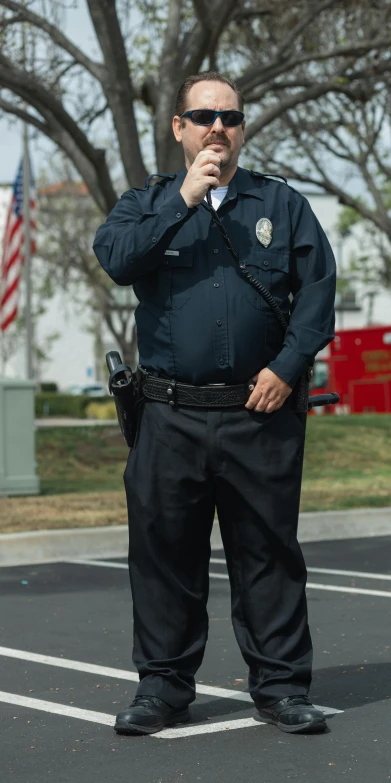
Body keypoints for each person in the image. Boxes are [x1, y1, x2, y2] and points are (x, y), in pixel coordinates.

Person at [93, 71, 336, 736]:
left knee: (268, 555)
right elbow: (115, 258)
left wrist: (289, 366)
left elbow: (318, 289)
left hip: (259, 413)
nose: (217, 128)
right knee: (165, 555)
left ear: (243, 127)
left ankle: (282, 686)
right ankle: (164, 687)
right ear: (179, 128)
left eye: (229, 117)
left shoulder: (279, 205)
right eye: (203, 116)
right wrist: (184, 199)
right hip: (168, 414)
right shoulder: (144, 205)